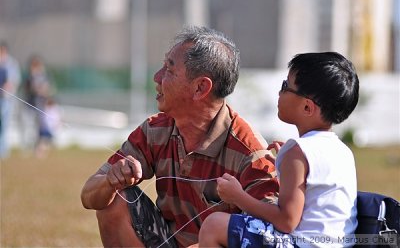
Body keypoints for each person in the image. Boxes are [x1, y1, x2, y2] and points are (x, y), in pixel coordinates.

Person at [81, 26, 279, 247]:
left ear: (200, 87)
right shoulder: (154, 130)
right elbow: (88, 196)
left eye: (169, 69)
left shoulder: (249, 152)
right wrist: (110, 181)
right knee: (116, 198)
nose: (156, 77)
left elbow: (270, 234)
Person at [199, 52, 359, 248]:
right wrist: (287, 165)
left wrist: (238, 197)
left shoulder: (298, 152)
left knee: (214, 225)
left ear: (307, 108)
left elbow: (287, 221)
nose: (279, 92)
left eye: (286, 86)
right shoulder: (341, 150)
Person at [0, 41, 21, 159]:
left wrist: (9, 85)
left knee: (4, 125)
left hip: (6, 99)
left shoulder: (11, 63)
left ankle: (3, 151)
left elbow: (15, 79)